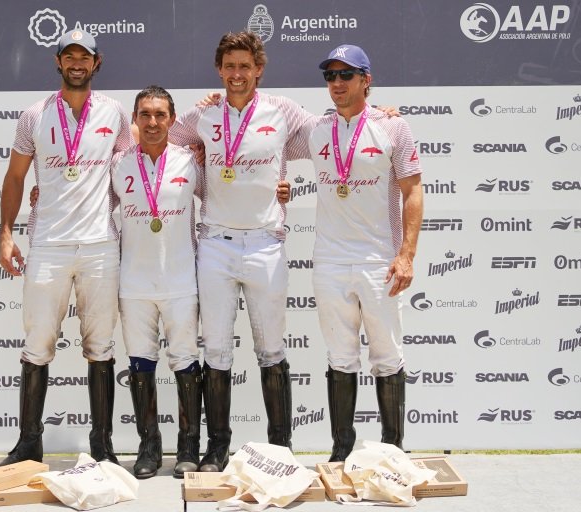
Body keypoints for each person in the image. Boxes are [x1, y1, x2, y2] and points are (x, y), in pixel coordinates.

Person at [168, 31, 312, 471]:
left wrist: (380, 115)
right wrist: (195, 151)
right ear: (219, 69)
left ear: (259, 69)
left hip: (266, 243)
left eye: (244, 66)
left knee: (271, 350)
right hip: (215, 243)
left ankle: (280, 449)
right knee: (216, 350)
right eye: (229, 66)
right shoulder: (204, 113)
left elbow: (329, 135)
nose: (236, 75)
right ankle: (217, 447)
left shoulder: (282, 110)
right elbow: (163, 139)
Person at [0, 29, 132, 467]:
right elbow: (16, 177)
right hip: (48, 245)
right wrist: (5, 234)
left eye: (84, 56)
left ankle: (102, 444)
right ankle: (29, 443)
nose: (76, 63)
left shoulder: (115, 113)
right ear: (58, 62)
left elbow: (131, 170)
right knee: (37, 345)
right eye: (68, 56)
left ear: (97, 63)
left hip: (99, 246)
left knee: (101, 346)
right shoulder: (33, 115)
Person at [300, 44, 423, 461]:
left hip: (378, 260)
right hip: (331, 260)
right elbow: (260, 134)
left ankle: (393, 450)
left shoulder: (393, 127)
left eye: (345, 75)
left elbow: (413, 191)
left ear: (365, 81)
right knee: (340, 357)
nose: (336, 84)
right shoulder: (315, 129)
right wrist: (211, 102)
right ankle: (341, 451)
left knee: (387, 356)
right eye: (330, 76)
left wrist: (406, 255)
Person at [111, 85, 204, 479]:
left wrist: (279, 190)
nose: (152, 122)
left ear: (172, 119)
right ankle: (148, 448)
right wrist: (39, 194)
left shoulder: (191, 162)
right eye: (145, 114)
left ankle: (188, 448)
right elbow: (84, 199)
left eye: (160, 115)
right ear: (134, 119)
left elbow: (232, 195)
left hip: (182, 280)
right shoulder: (116, 164)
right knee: (140, 364)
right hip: (133, 284)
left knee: (185, 362)